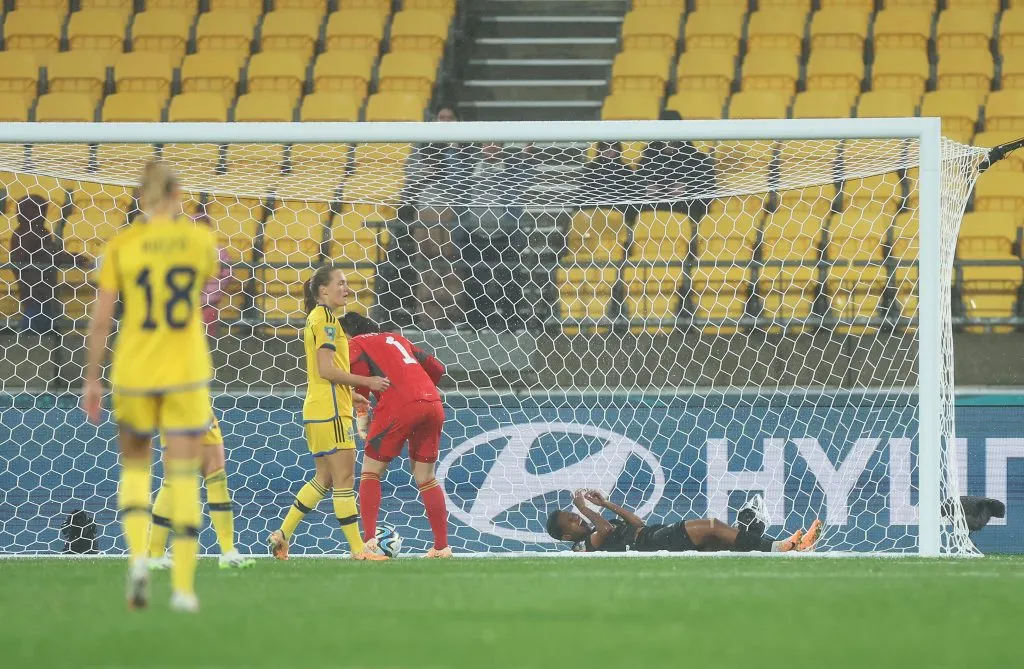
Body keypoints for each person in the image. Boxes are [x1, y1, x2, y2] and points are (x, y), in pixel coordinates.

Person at [82, 161, 219, 612]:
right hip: (185, 372)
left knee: (136, 469)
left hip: (134, 372)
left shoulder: (122, 244)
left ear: (140, 197)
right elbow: (206, 286)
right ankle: (183, 588)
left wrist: (91, 377)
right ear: (177, 194)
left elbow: (102, 320)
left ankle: (139, 559)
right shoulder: (199, 241)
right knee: (182, 477)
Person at [267, 264, 390, 561]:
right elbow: (327, 369)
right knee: (345, 478)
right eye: (341, 283)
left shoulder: (319, 318)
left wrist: (354, 393)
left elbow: (321, 373)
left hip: (319, 407)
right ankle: (358, 549)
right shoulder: (327, 321)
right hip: (332, 413)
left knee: (324, 478)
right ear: (323, 290)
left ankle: (282, 535)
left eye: (347, 283)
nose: (346, 288)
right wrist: (368, 381)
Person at [339, 312, 451, 559]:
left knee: (371, 472)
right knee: (426, 476)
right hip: (432, 402)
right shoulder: (396, 338)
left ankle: (369, 542)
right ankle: (442, 548)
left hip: (399, 405)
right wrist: (418, 387)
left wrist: (361, 413)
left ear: (347, 332)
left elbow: (360, 375)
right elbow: (437, 368)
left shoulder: (354, 343)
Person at [547, 490, 822, 554]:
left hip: (649, 535)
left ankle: (767, 540)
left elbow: (636, 521)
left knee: (718, 541)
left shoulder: (598, 526)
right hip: (648, 543)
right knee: (712, 527)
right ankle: (784, 546)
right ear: (567, 537)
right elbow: (606, 531)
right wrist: (585, 507)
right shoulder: (581, 547)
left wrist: (605, 504)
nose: (576, 517)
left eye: (574, 513)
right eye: (570, 520)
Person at [148, 411, 255, 570]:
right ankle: (154, 554)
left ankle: (228, 552)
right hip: (174, 403)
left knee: (217, 475)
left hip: (199, 402)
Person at [10, 195, 90, 332]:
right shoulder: (22, 234)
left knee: (48, 326)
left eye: (43, 210)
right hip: (34, 292)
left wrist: (71, 257)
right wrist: (71, 258)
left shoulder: (42, 232)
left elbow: (52, 254)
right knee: (34, 325)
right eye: (37, 210)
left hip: (46, 290)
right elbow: (49, 255)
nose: (42, 214)